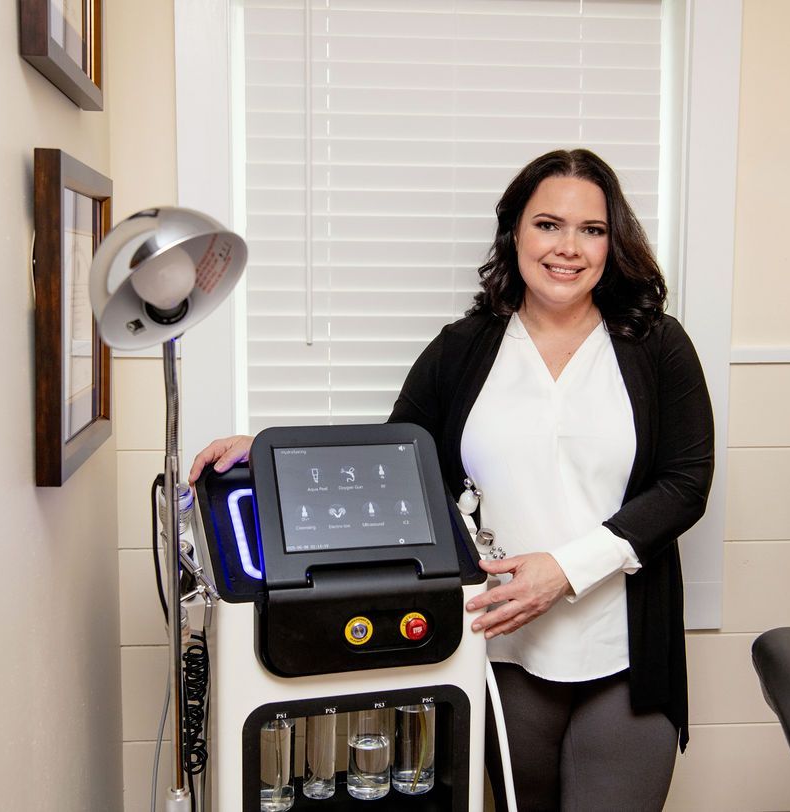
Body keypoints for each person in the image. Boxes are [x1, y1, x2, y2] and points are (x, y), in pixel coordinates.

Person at [190, 149, 714, 811]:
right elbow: (394, 463)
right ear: (515, 233)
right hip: (504, 651)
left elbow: (685, 483)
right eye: (548, 225)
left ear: (614, 243)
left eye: (592, 229)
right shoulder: (464, 348)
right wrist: (268, 452)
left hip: (627, 651)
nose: (569, 247)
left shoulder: (656, 344)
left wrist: (564, 569)